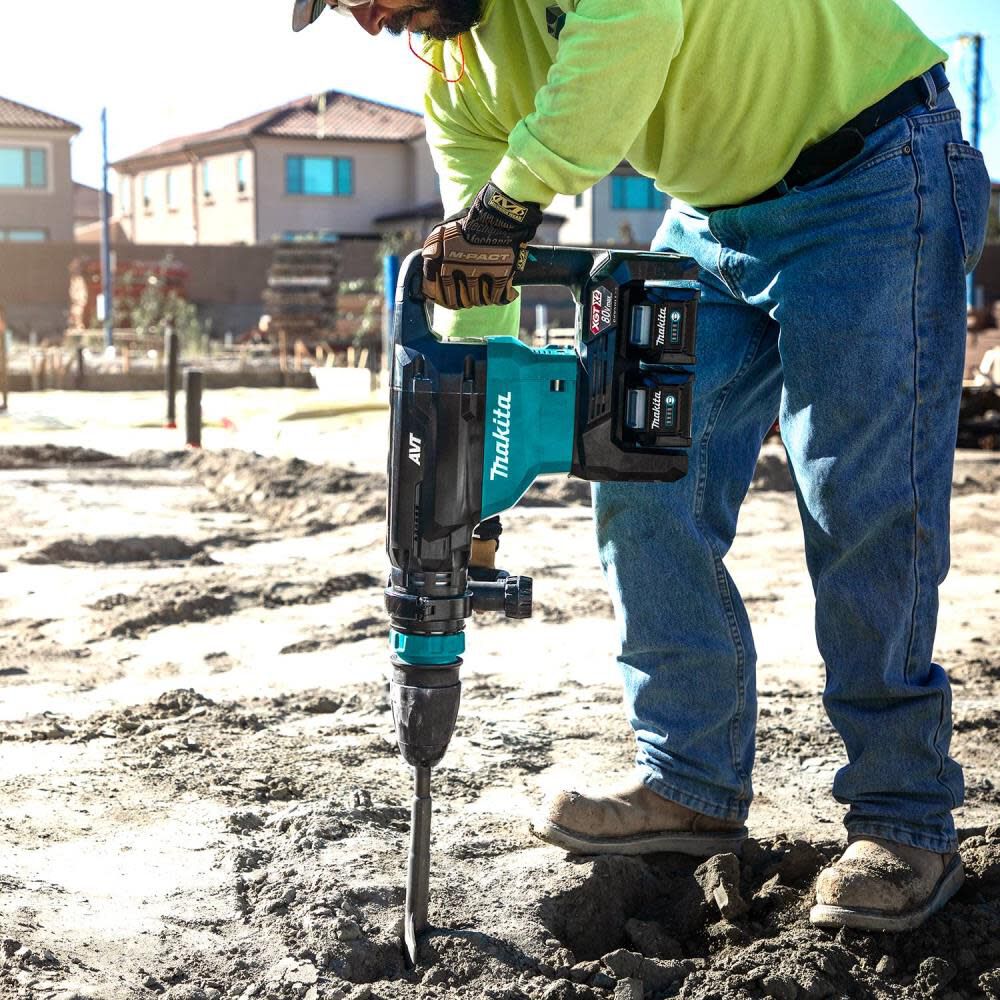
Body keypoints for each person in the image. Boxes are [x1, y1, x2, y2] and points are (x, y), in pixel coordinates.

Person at [294, 0, 991, 931]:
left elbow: (632, 27)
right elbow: (481, 276)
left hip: (870, 171)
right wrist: (468, 486)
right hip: (710, 218)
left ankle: (903, 817)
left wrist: (510, 203)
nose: (371, 21)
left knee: (857, 498)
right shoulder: (456, 76)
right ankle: (691, 783)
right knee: (639, 470)